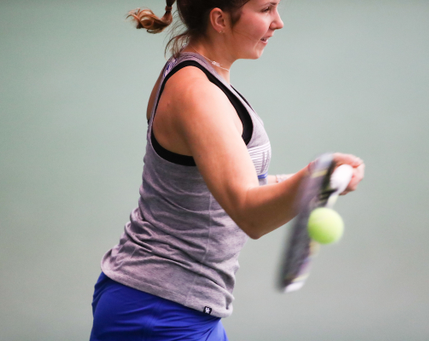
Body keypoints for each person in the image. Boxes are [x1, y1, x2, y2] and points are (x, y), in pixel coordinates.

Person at [90, 0, 365, 340]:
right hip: (157, 314)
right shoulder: (197, 94)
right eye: (266, 9)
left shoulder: (194, 72)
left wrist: (314, 178)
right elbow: (249, 214)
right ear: (219, 18)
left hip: (170, 308)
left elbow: (229, 188)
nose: (278, 22)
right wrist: (310, 181)